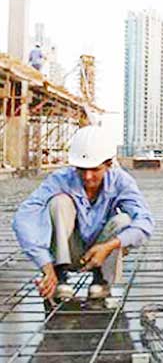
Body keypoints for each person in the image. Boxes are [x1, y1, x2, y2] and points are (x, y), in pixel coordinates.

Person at [13, 125, 154, 302]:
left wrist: (110, 246)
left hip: (102, 252)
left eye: (95, 169)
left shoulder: (121, 182)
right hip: (69, 249)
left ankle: (101, 279)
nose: (87, 177)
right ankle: (59, 273)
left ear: (108, 164)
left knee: (124, 220)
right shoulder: (61, 179)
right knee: (59, 202)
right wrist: (45, 263)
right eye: (81, 169)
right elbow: (24, 217)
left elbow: (145, 222)